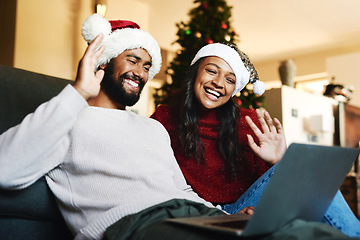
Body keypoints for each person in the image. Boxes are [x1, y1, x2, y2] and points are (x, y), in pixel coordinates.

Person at [0, 14, 357, 240]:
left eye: (146, 66)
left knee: (305, 232)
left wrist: (225, 216)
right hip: (137, 225)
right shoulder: (65, 118)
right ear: (105, 61)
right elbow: (7, 169)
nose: (140, 71)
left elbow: (183, 190)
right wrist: (77, 93)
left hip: (194, 215)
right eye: (132, 60)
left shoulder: (150, 130)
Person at [151, 43, 360, 238]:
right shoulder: (163, 118)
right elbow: (152, 177)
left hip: (246, 207)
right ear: (196, 72)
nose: (218, 83)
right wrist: (216, 213)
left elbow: (266, 187)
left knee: (310, 171)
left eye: (230, 79)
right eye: (212, 71)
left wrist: (278, 162)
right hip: (203, 212)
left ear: (234, 89)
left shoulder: (248, 121)